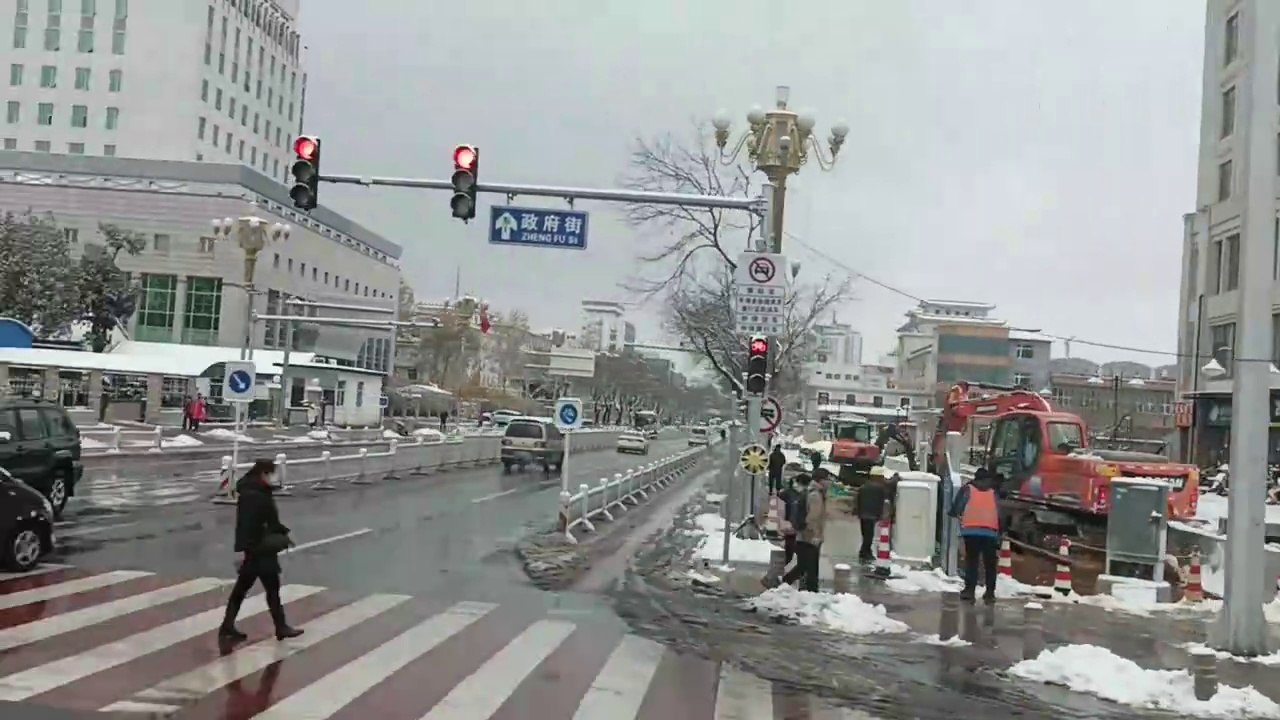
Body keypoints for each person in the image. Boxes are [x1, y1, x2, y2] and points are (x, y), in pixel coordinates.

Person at [219, 460, 303, 642]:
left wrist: (280, 531)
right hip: (260, 549)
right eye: (271, 473)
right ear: (263, 473)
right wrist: (275, 535)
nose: (273, 477)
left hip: (256, 548)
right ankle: (281, 627)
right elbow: (257, 522)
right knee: (271, 589)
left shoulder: (254, 490)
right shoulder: (255, 494)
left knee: (242, 590)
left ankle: (227, 626)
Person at [949, 467, 1003, 604]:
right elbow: (1000, 512)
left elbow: (957, 507)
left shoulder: (968, 489)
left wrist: (954, 513)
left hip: (971, 531)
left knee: (972, 561)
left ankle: (969, 591)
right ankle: (990, 593)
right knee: (990, 564)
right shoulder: (994, 492)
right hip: (990, 532)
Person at [782, 469, 828, 592]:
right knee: (808, 566)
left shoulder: (810, 491)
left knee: (805, 565)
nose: (829, 482)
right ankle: (789, 583)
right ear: (821, 480)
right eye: (827, 479)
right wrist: (815, 535)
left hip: (804, 535)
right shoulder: (816, 495)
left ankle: (804, 587)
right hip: (810, 536)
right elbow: (813, 517)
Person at [855, 466, 892, 563]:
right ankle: (864, 552)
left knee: (865, 534)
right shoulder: (881, 488)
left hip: (863, 514)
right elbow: (883, 501)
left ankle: (866, 551)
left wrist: (857, 512)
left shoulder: (863, 486)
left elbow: (857, 500)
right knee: (869, 535)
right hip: (872, 515)